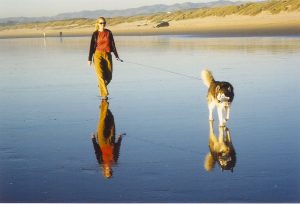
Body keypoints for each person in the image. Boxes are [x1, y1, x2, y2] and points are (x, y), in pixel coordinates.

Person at [88, 17, 122, 100]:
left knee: (109, 77)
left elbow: (113, 45)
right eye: (101, 23)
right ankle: (104, 95)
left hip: (107, 55)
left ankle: (101, 85)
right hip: (97, 55)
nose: (102, 24)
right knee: (100, 75)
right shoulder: (95, 34)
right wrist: (89, 59)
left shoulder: (108, 32)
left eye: (104, 23)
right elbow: (91, 47)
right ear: (97, 24)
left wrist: (117, 56)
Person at [91, 100, 124, 179]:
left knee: (102, 122)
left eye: (107, 173)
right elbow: (117, 150)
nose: (108, 171)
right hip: (111, 141)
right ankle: (104, 107)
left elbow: (96, 151)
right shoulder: (114, 162)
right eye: (110, 172)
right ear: (111, 171)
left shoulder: (100, 162)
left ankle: (104, 105)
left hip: (102, 142)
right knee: (111, 120)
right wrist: (119, 138)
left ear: (104, 172)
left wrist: (93, 139)